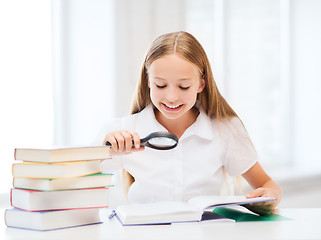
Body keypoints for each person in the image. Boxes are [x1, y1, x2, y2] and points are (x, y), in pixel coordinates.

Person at [101, 31, 281, 215]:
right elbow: (76, 174)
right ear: (149, 81)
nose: (171, 97)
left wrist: (269, 195)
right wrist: (104, 148)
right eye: (160, 85)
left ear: (201, 84)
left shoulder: (225, 129)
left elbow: (268, 185)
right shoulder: (125, 130)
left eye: (184, 86)